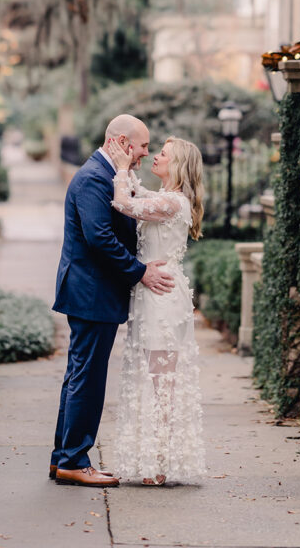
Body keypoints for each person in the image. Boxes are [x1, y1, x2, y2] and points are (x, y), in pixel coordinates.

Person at [51, 114, 175, 488]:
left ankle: (64, 458)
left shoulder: (107, 175)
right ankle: (74, 460)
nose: (144, 154)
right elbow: (99, 239)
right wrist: (141, 272)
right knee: (87, 379)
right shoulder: (93, 178)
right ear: (121, 142)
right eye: (141, 146)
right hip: (91, 293)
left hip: (93, 292)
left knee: (79, 376)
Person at [107, 135, 205, 486]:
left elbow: (123, 203)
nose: (156, 157)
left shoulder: (174, 203)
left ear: (177, 165)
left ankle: (161, 463)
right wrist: (126, 163)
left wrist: (120, 168)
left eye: (163, 154)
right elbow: (137, 192)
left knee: (162, 379)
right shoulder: (165, 198)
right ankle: (151, 458)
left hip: (163, 298)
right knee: (151, 375)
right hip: (150, 294)